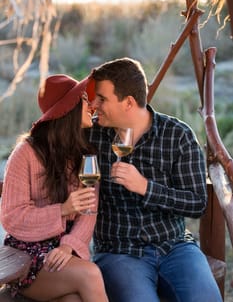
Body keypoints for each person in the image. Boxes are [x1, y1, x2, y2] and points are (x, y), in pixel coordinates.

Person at [86, 57, 222, 302]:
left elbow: (197, 203)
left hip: (174, 246)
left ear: (128, 102)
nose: (94, 105)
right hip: (119, 252)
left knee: (206, 298)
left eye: (102, 98)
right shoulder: (90, 136)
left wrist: (146, 188)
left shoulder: (177, 136)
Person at [0, 74, 109, 302]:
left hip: (62, 253)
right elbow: (12, 217)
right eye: (84, 99)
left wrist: (68, 247)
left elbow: (89, 213)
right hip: (26, 257)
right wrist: (62, 209)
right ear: (67, 109)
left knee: (73, 300)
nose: (91, 105)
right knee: (91, 275)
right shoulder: (25, 155)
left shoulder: (85, 154)